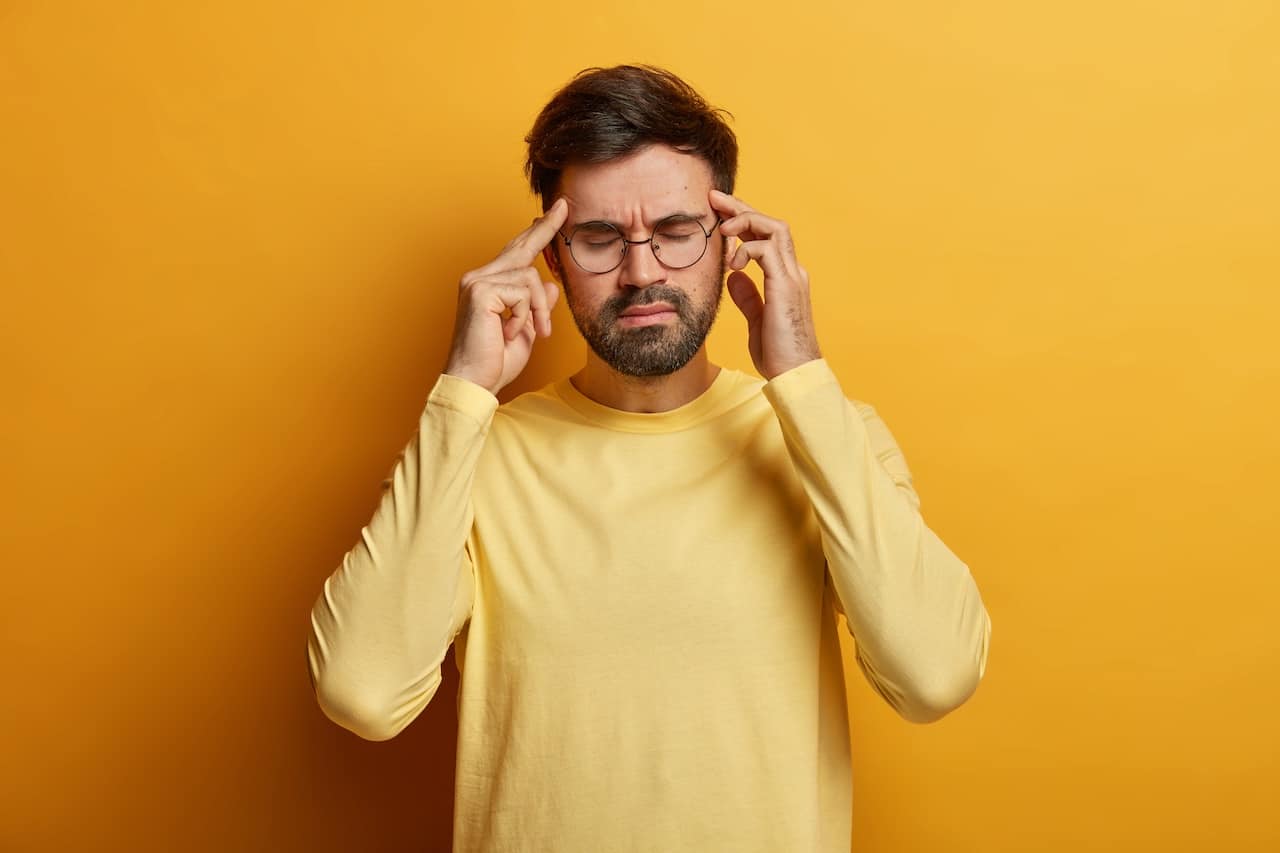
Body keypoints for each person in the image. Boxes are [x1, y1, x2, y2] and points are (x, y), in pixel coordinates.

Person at [306, 64, 992, 852]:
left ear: (731, 245)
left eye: (673, 231)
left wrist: (801, 377)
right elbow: (362, 691)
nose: (641, 273)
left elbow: (935, 675)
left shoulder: (826, 434)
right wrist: (463, 388)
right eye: (599, 238)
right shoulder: (475, 451)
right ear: (553, 261)